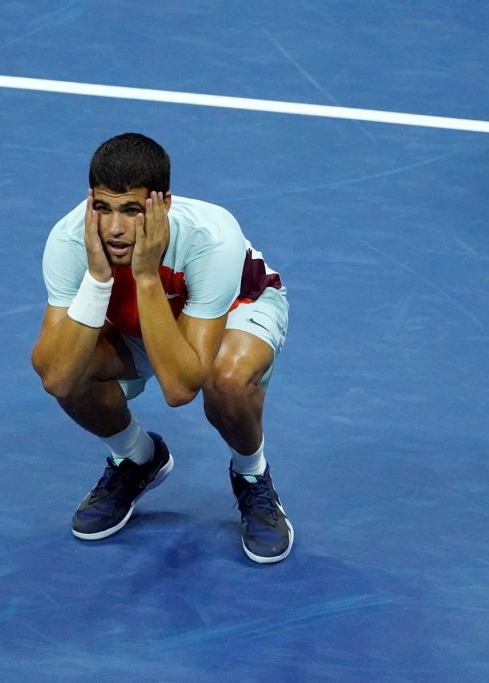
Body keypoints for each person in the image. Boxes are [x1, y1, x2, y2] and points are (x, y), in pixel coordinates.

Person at [31, 133, 293, 564]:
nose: (115, 228)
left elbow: (179, 387)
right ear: (90, 200)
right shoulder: (69, 241)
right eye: (103, 207)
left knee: (224, 379)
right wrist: (98, 280)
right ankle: (137, 458)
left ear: (163, 204)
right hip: (135, 323)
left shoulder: (211, 237)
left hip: (233, 312)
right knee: (71, 368)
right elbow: (56, 376)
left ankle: (251, 475)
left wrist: (147, 275)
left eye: (131, 210)